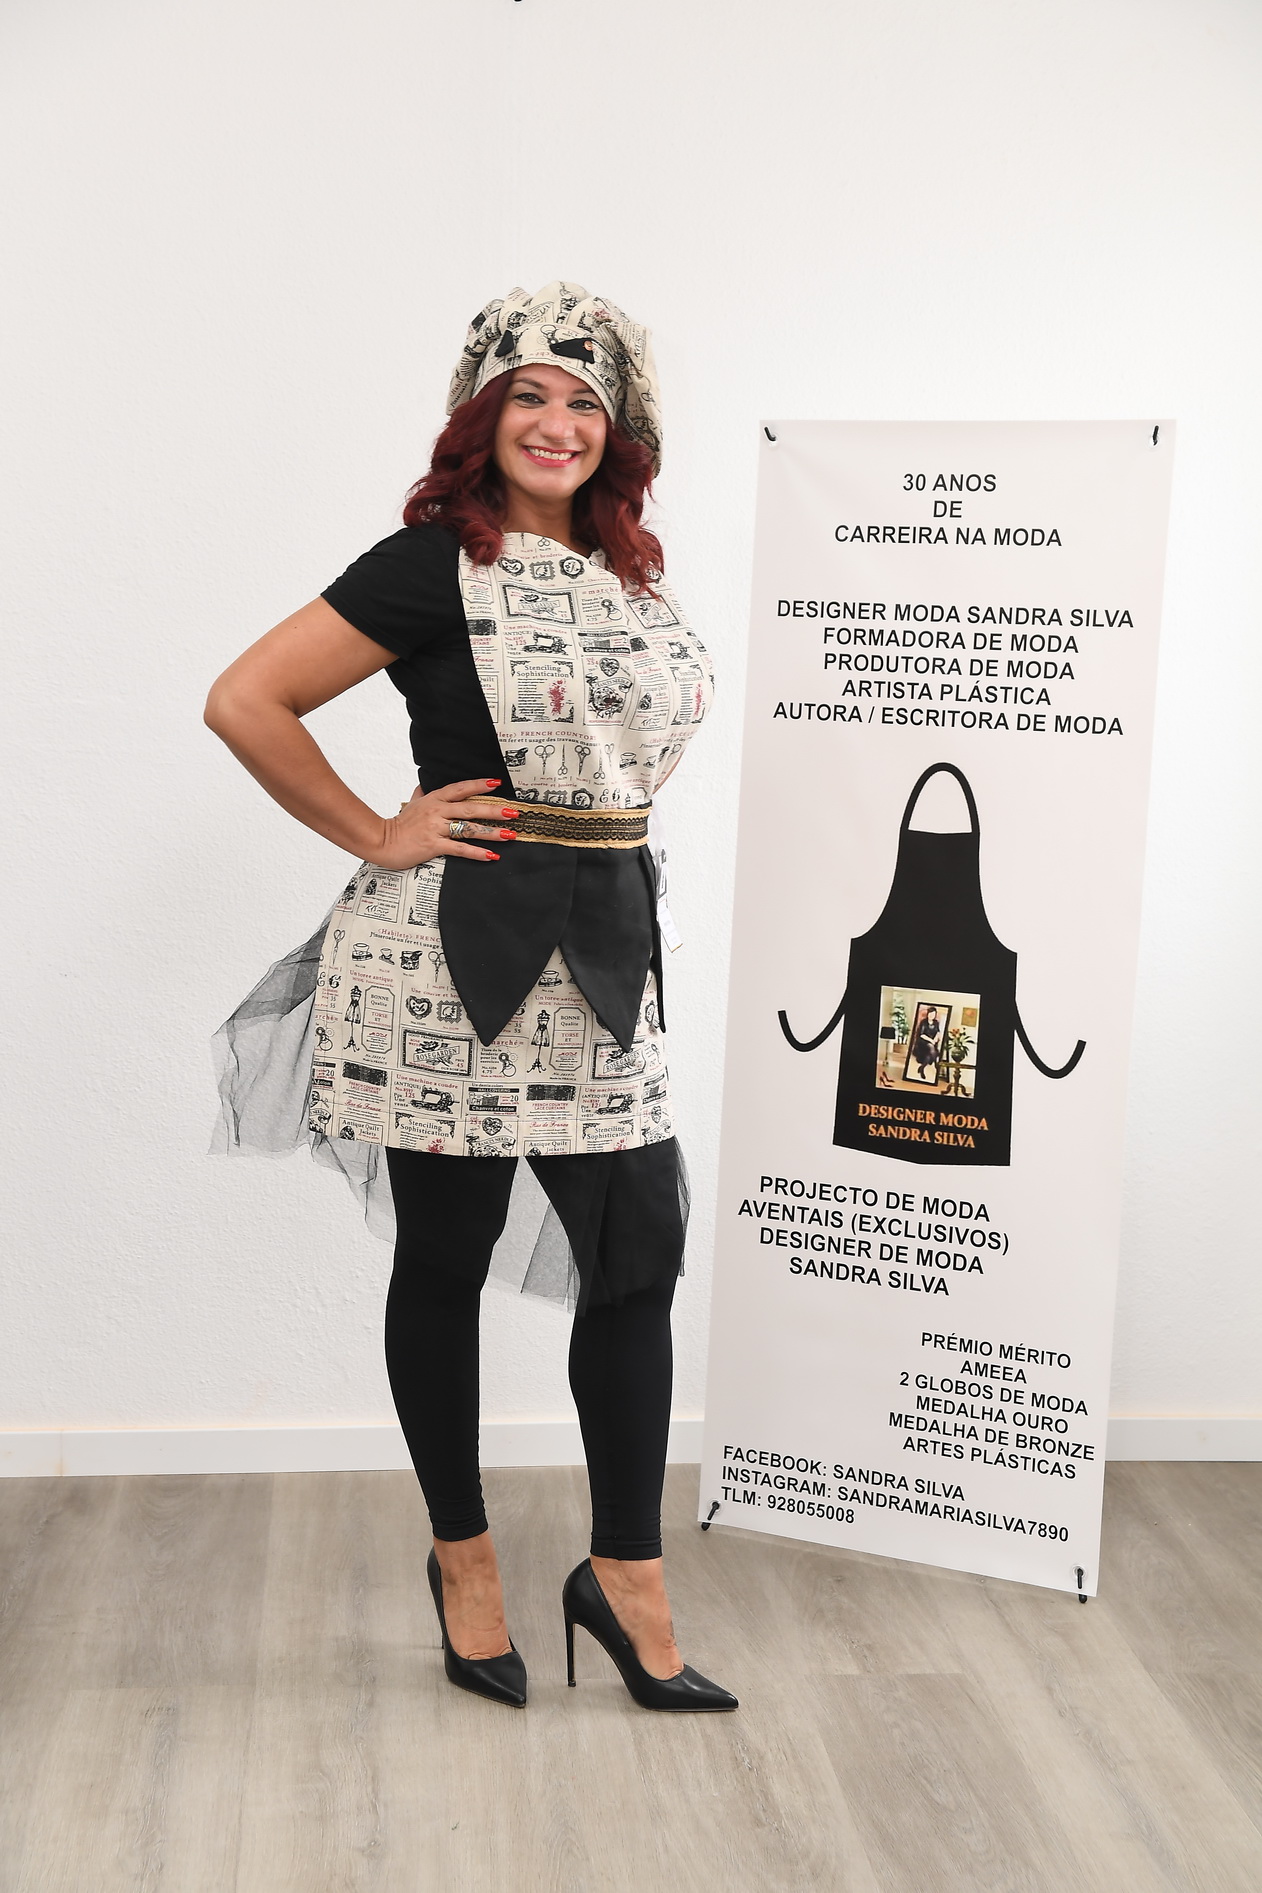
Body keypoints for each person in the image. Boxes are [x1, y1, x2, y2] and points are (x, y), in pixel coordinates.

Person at [205, 282, 736, 1713]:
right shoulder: (431, 561)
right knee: (444, 1259)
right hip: (442, 966)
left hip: (604, 951)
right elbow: (246, 697)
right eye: (528, 396)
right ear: (482, 417)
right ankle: (464, 1558)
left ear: (618, 431)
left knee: (636, 1258)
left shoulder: (633, 575)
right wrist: (380, 830)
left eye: (584, 401)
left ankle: (624, 1574)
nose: (556, 423)